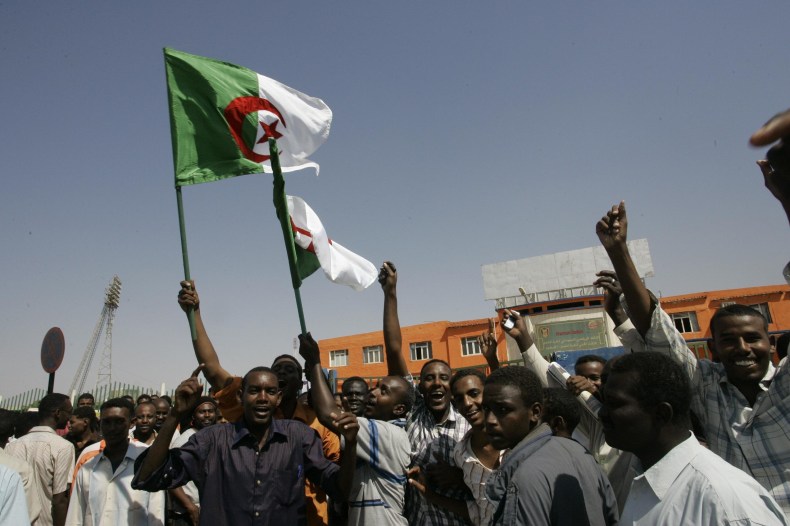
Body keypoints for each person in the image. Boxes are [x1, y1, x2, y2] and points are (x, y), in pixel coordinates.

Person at [596, 200, 790, 517]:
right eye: (728, 340)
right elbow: (657, 332)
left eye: (753, 338)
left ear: (771, 344)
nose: (742, 348)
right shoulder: (705, 385)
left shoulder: (786, 383)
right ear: (712, 348)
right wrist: (619, 251)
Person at [177, 279, 340, 526]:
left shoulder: (317, 423)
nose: (283, 373)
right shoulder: (250, 413)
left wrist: (314, 361)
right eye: (278, 370)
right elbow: (212, 369)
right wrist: (195, 313)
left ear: (299, 382)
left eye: (290, 370)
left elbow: (338, 477)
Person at [132, 365, 359, 526]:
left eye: (270, 392)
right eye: (254, 391)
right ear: (241, 395)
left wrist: (350, 444)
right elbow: (150, 477)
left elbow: (339, 488)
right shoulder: (212, 440)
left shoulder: (299, 437)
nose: (262, 398)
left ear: (278, 398)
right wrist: (175, 415)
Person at [600, 352, 786, 524]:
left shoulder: (725, 503)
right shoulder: (642, 481)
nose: (602, 413)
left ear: (661, 414)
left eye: (615, 404)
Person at [492, 307, 636, 509]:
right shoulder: (583, 424)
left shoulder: (633, 431)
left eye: (597, 379)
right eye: (581, 376)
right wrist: (522, 337)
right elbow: (545, 374)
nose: (586, 383)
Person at [379, 261, 472, 525]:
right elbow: (394, 348)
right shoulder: (415, 412)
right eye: (428, 378)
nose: (436, 383)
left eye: (444, 378)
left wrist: (460, 477)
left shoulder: (469, 423)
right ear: (419, 387)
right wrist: (390, 294)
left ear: (451, 386)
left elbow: (492, 482)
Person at [300, 333, 412, 525]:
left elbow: (328, 414)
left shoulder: (388, 434)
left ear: (399, 409)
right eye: (376, 387)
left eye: (383, 391)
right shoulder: (376, 432)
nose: (373, 393)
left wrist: (315, 361)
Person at [483, 366, 618, 526]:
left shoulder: (525, 475)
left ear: (535, 412)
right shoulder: (579, 451)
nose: (490, 420)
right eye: (486, 409)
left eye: (503, 409)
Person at [412, 368, 504, 525]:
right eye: (460, 399)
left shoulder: (515, 441)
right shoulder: (461, 453)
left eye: (474, 394)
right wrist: (430, 495)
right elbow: (479, 511)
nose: (467, 403)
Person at [66, 398, 165, 526]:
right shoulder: (87, 468)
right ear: (99, 424)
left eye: (119, 422)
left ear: (131, 423)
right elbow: (75, 519)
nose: (112, 428)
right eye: (107, 422)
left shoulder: (147, 462)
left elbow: (156, 515)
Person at [7, 393, 74, 526]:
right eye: (69, 412)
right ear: (58, 413)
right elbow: (59, 499)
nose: (70, 418)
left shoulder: (13, 446)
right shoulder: (63, 447)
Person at [168, 396, 218, 526]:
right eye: (202, 412)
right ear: (193, 416)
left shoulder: (217, 437)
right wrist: (190, 507)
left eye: (210, 411)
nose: (207, 415)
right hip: (189, 515)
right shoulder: (185, 441)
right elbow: (171, 480)